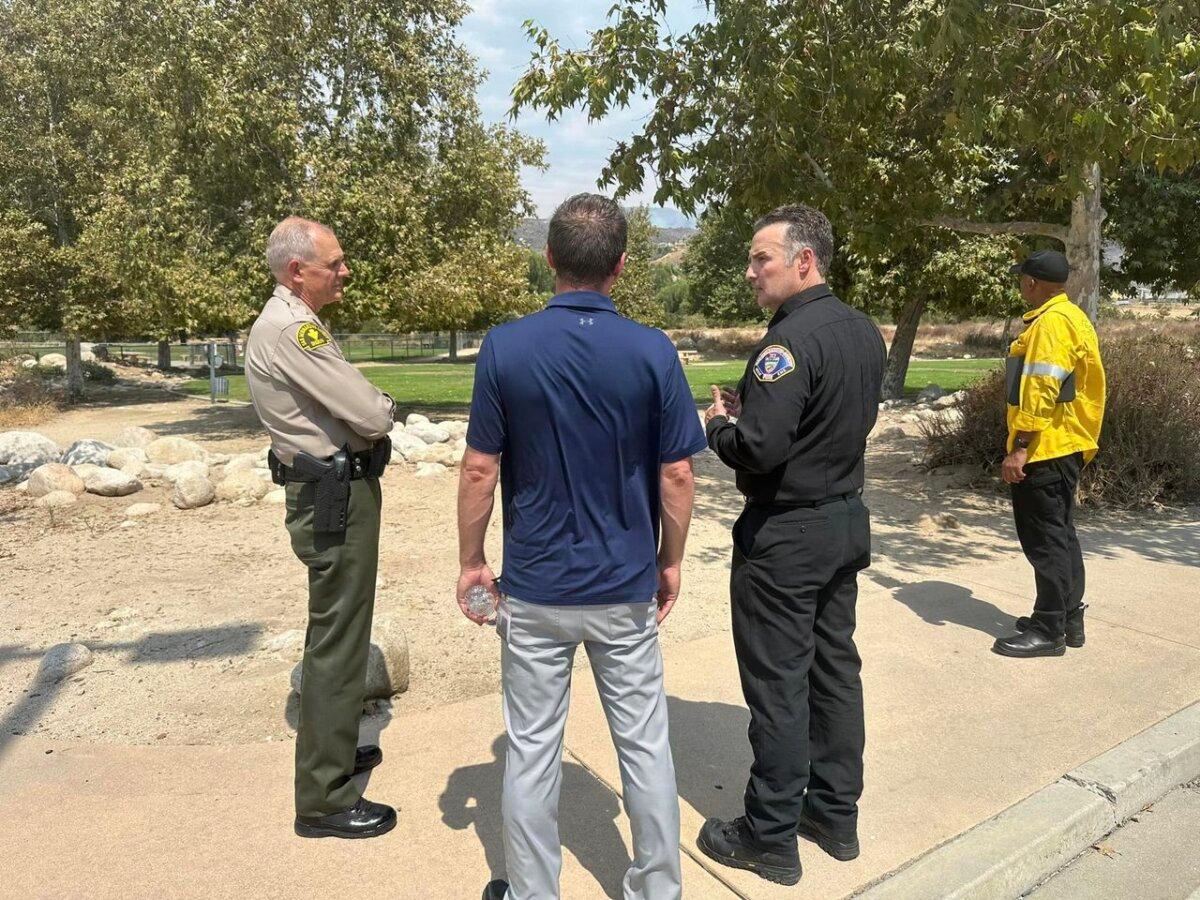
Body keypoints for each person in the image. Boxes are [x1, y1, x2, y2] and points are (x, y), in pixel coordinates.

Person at [456, 194, 708, 900]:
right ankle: (657, 889)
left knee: (532, 751)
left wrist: (472, 561)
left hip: (535, 590)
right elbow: (679, 473)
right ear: (621, 266)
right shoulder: (653, 350)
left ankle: (536, 893)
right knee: (645, 748)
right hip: (623, 586)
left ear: (549, 259)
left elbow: (480, 468)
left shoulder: (506, 346)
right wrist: (670, 560)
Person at [697, 204, 886, 885]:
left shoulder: (786, 344)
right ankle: (834, 815)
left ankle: (769, 834)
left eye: (761, 260)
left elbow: (761, 447)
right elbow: (834, 420)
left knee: (780, 685)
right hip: (842, 519)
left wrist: (720, 426)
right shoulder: (862, 331)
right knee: (835, 671)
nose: (750, 272)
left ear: (802, 261)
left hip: (789, 532)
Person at [244, 216, 397, 838]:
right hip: (335, 495)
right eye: (333, 263)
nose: (344, 271)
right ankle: (325, 798)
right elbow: (368, 411)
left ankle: (331, 751)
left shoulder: (287, 323)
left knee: (340, 628)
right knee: (336, 638)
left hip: (331, 490)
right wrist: (383, 409)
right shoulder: (292, 329)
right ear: (296, 271)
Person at [993, 249, 1106, 658]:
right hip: (1064, 443)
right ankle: (1068, 619)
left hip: (1046, 446)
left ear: (1031, 283)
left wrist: (1020, 448)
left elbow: (1040, 390)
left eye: (1021, 279)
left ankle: (1048, 629)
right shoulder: (1072, 317)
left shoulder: (1052, 325)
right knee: (1060, 535)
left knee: (1045, 541)